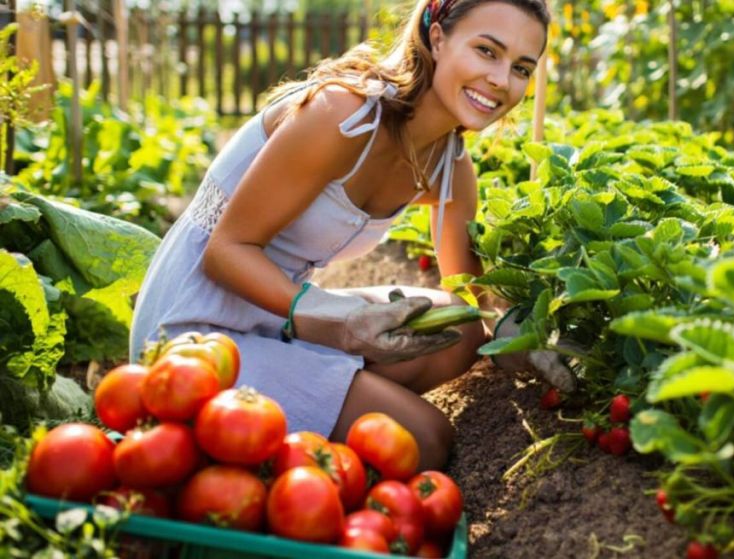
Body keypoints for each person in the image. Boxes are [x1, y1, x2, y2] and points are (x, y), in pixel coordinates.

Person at [129, 0, 567, 471]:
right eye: (486, 51)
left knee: (457, 329)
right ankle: (293, 423)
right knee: (425, 439)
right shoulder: (344, 115)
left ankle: (310, 404)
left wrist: (515, 333)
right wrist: (333, 318)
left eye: (521, 68)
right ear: (437, 38)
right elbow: (224, 252)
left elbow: (468, 295)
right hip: (193, 329)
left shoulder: (450, 166)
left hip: (272, 319)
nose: (502, 80)